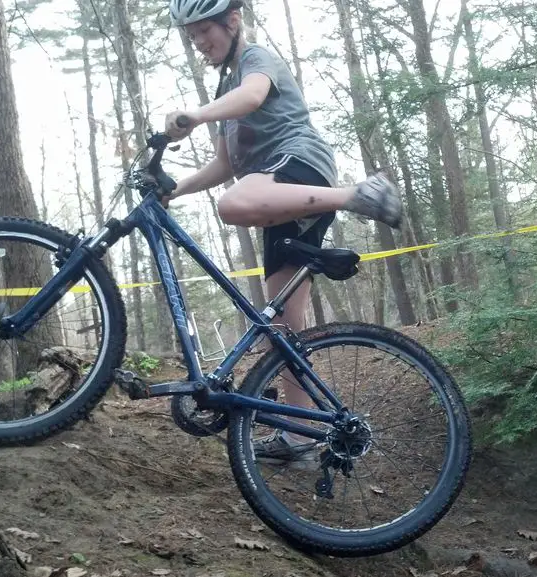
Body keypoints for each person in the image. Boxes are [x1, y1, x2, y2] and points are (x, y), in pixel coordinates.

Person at [165, 0, 402, 463]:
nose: (199, 44)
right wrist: (173, 190)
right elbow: (225, 164)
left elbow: (253, 97)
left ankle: (359, 195)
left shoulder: (256, 60)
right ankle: (301, 436)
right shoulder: (224, 83)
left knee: (233, 203)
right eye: (191, 37)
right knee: (283, 326)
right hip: (283, 196)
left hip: (300, 164)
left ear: (232, 21)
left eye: (203, 32)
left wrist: (194, 114)